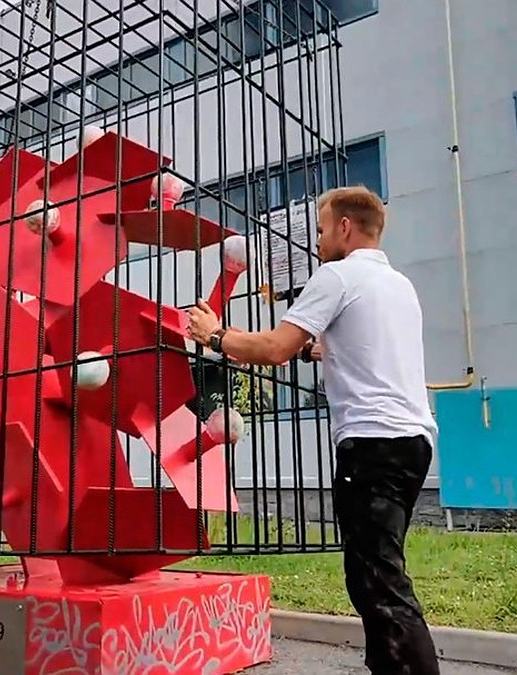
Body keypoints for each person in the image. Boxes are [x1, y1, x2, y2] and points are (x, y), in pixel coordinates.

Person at [186, 186, 440, 675]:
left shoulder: (337, 276)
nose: (319, 239)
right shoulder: (397, 285)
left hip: (373, 444)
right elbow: (337, 347)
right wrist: (308, 348)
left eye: (322, 229)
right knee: (373, 571)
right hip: (412, 442)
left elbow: (275, 348)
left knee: (380, 581)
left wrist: (214, 335)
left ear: (345, 227)